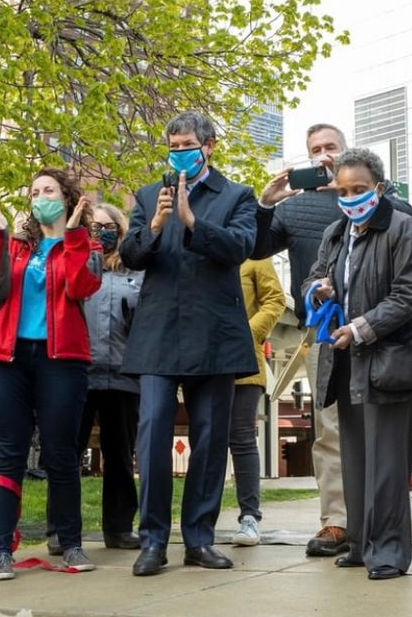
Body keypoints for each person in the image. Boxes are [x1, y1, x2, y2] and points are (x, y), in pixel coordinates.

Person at [252, 123, 412, 557]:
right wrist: (266, 204)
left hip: (378, 329)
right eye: (315, 150)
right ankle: (338, 522)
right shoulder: (297, 209)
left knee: (377, 430)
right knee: (330, 430)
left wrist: (354, 184)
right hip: (325, 331)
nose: (322, 156)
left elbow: (404, 218)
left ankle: (378, 527)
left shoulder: (377, 203)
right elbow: (255, 247)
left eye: (331, 149)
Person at [120, 111, 259, 576]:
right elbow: (131, 256)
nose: (179, 151)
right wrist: (158, 224)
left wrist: (192, 222)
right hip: (158, 334)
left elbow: (240, 246)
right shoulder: (146, 196)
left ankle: (199, 538)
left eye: (187, 144)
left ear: (209, 146)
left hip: (214, 335)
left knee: (209, 439)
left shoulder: (237, 195)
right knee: (154, 431)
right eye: (173, 143)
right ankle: (153, 540)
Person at [303, 147, 412, 580]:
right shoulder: (335, 234)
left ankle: (391, 552)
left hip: (390, 362)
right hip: (345, 364)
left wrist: (361, 326)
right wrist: (317, 289)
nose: (349, 197)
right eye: (342, 190)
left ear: (379, 189)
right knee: (356, 459)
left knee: (387, 464)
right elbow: (311, 276)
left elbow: (406, 296)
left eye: (358, 189)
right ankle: (361, 545)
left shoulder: (403, 230)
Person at [0, 167, 102, 581]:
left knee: (61, 455)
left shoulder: (87, 245)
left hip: (61, 359)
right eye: (34, 191)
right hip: (5, 359)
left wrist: (71, 236)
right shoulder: (16, 246)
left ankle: (71, 543)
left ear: (67, 198)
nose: (40, 196)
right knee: (6, 454)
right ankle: (0, 551)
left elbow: (79, 287)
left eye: (49, 190)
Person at [47, 202, 144, 556]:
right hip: (77, 374)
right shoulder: (73, 266)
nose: (101, 232)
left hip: (123, 375)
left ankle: (119, 528)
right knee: (67, 452)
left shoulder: (136, 271)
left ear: (121, 232)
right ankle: (60, 529)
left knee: (120, 455)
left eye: (108, 226)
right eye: (94, 226)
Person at [230, 257, 286, 546]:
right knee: (207, 440)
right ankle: (201, 518)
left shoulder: (255, 255)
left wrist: (247, 333)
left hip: (244, 365)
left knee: (241, 438)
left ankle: (250, 517)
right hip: (203, 363)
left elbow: (274, 299)